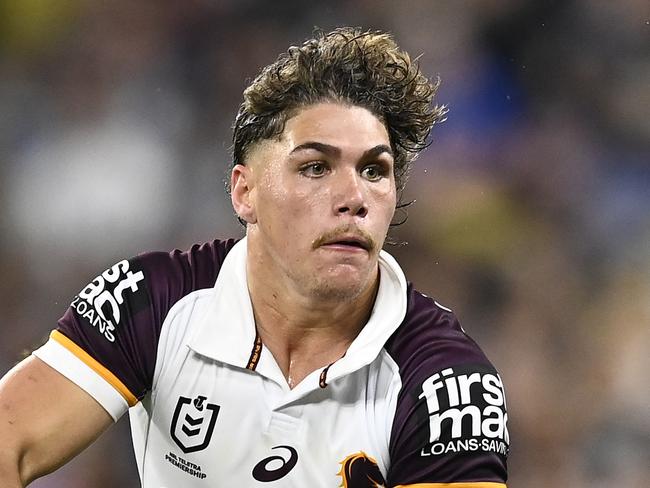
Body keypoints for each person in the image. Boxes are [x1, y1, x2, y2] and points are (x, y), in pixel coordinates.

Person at [0, 27, 509, 487]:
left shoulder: (450, 384)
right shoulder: (151, 301)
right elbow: (11, 444)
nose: (354, 196)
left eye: (375, 171)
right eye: (315, 167)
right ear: (245, 193)